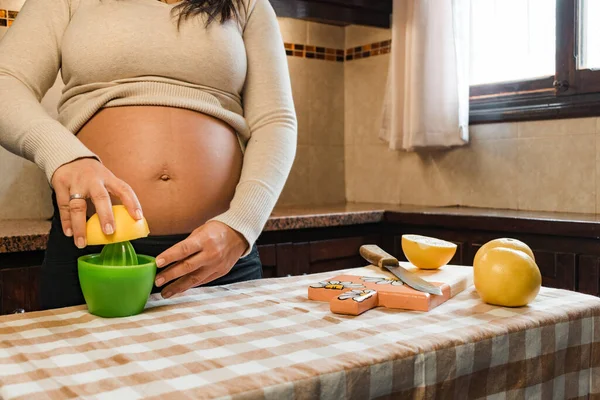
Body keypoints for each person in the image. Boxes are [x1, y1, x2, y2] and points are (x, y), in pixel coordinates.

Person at [0, 0, 297, 309]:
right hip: (91, 250)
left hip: (220, 254)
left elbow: (275, 121)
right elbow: (6, 83)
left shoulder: (246, 4)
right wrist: (64, 156)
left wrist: (241, 226)